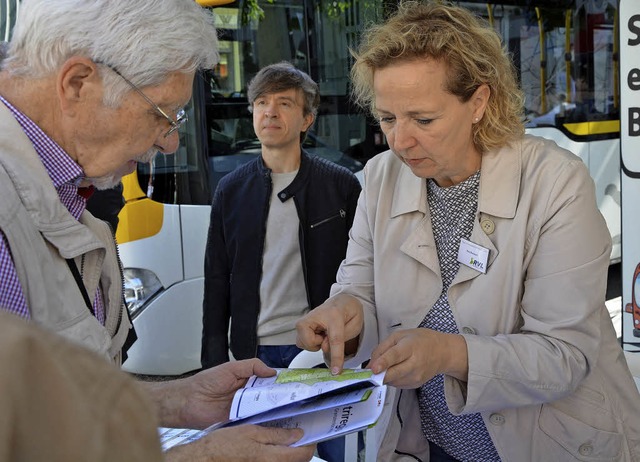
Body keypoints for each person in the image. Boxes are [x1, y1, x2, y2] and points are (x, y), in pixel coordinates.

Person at [295, 2, 640, 461]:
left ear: (479, 102)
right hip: (435, 445)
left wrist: (448, 354)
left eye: (423, 119)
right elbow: (360, 289)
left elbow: (564, 355)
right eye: (388, 118)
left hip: (553, 443)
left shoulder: (555, 181)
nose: (400, 141)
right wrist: (345, 315)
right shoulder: (379, 178)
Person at [0, 1, 314, 460]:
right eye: (162, 114)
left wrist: (176, 401)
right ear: (77, 83)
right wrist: (200, 457)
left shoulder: (61, 188)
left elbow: (41, 409)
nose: (168, 143)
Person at [201, 61, 362, 461]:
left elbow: (362, 272)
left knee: (330, 454)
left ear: (307, 119)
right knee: (266, 455)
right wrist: (213, 363)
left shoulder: (340, 185)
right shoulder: (231, 190)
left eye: (284, 103)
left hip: (322, 352)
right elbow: (216, 279)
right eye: (261, 102)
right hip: (256, 356)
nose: (269, 112)